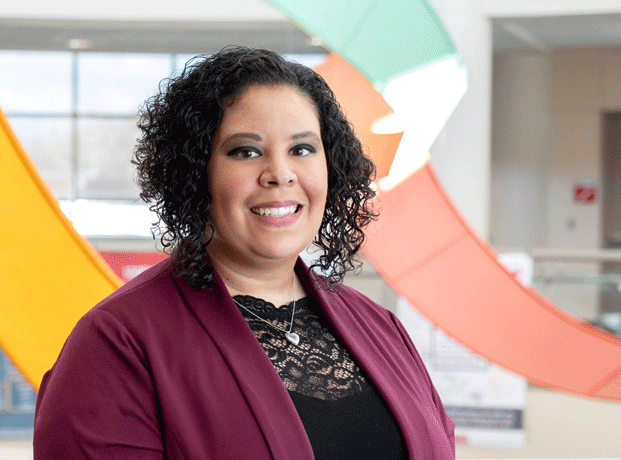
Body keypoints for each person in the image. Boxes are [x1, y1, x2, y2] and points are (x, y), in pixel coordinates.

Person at [33, 47, 455, 459]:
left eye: (302, 149)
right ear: (197, 172)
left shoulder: (382, 329)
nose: (280, 174)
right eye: (246, 151)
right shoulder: (118, 343)